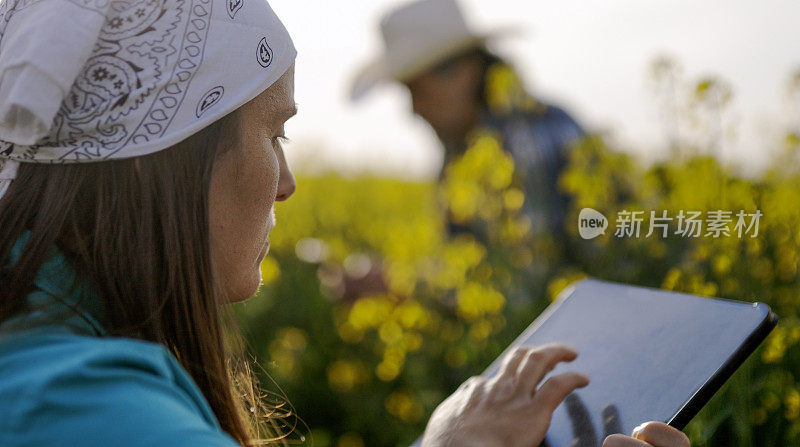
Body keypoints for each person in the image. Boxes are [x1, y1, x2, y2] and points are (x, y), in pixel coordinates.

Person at [0, 0, 688, 446]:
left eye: (283, 137)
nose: (289, 181)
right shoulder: (96, 410)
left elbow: (523, 285)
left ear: (461, 71)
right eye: (274, 136)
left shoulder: (523, 147)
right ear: (167, 163)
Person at [351, 0, 583, 246]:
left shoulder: (530, 136)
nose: (414, 110)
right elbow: (465, 268)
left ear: (465, 72)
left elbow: (529, 273)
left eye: (417, 91)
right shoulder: (463, 151)